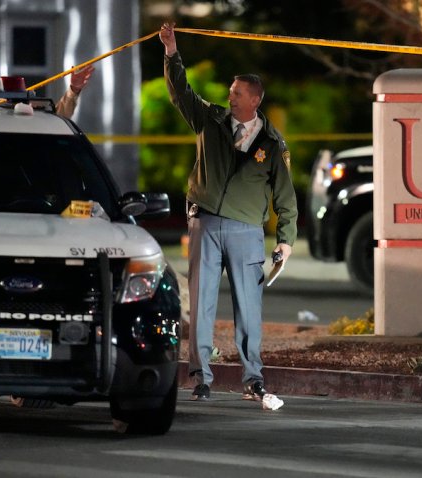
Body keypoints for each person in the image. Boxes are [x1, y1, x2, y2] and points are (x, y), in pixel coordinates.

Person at [160, 22, 298, 407]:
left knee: (249, 311)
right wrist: (172, 51)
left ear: (254, 99)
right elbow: (181, 93)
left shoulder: (271, 144)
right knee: (201, 305)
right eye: (230, 92)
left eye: (237, 93)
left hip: (246, 232)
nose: (230, 96)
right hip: (204, 223)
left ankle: (253, 379)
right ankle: (200, 377)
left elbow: (286, 197)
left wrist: (285, 241)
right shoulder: (211, 120)